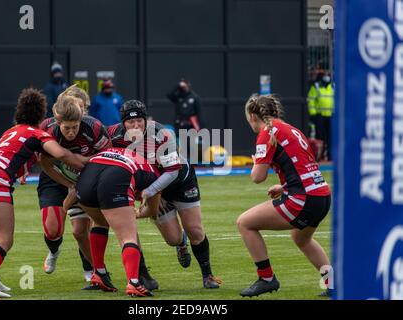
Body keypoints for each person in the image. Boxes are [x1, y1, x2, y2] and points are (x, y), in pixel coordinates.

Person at [0, 88, 86, 298]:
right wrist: (90, 162)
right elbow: (61, 154)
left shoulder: (11, 131)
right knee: (4, 238)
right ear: (41, 114)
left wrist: (23, 171)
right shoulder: (37, 133)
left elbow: (17, 154)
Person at [108, 100, 221, 290]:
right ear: (123, 123)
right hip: (155, 189)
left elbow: (172, 171)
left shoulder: (161, 135)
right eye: (130, 122)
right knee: (173, 239)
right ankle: (181, 242)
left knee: (195, 230)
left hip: (181, 182)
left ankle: (207, 275)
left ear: (146, 121)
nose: (135, 126)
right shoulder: (115, 136)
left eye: (139, 122)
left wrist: (150, 192)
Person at [237, 94, 332, 297]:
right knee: (301, 238)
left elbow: (257, 177)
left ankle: (267, 278)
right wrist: (285, 187)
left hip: (304, 199)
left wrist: (255, 163)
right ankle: (333, 283)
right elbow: (304, 166)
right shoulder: (291, 129)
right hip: (321, 195)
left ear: (253, 117)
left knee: (244, 223)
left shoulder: (267, 132)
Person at [36, 87, 112, 285]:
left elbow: (108, 157)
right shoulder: (48, 129)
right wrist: (69, 185)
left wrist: (83, 169)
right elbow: (44, 163)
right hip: (54, 178)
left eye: (81, 107)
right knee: (52, 229)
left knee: (80, 230)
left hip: (85, 180)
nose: (71, 132)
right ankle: (54, 250)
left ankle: (94, 270)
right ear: (59, 116)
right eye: (73, 105)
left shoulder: (94, 127)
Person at [71, 147, 161, 297]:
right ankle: (133, 282)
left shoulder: (120, 151)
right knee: (128, 236)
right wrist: (137, 213)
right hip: (115, 177)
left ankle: (98, 272)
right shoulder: (153, 173)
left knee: (99, 223)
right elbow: (153, 211)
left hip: (86, 179)